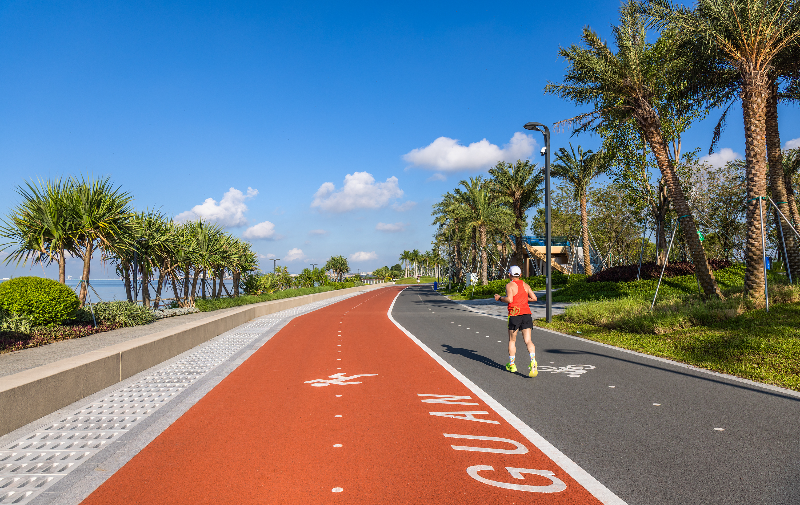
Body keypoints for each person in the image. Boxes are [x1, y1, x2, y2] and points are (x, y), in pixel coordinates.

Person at [494, 265, 538, 377]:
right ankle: (533, 361)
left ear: (509, 274)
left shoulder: (509, 285)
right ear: (521, 275)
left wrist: (499, 298)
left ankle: (512, 365)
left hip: (515, 314)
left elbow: (509, 299)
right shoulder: (525, 285)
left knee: (512, 340)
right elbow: (534, 298)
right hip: (526, 314)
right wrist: (523, 299)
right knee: (528, 340)